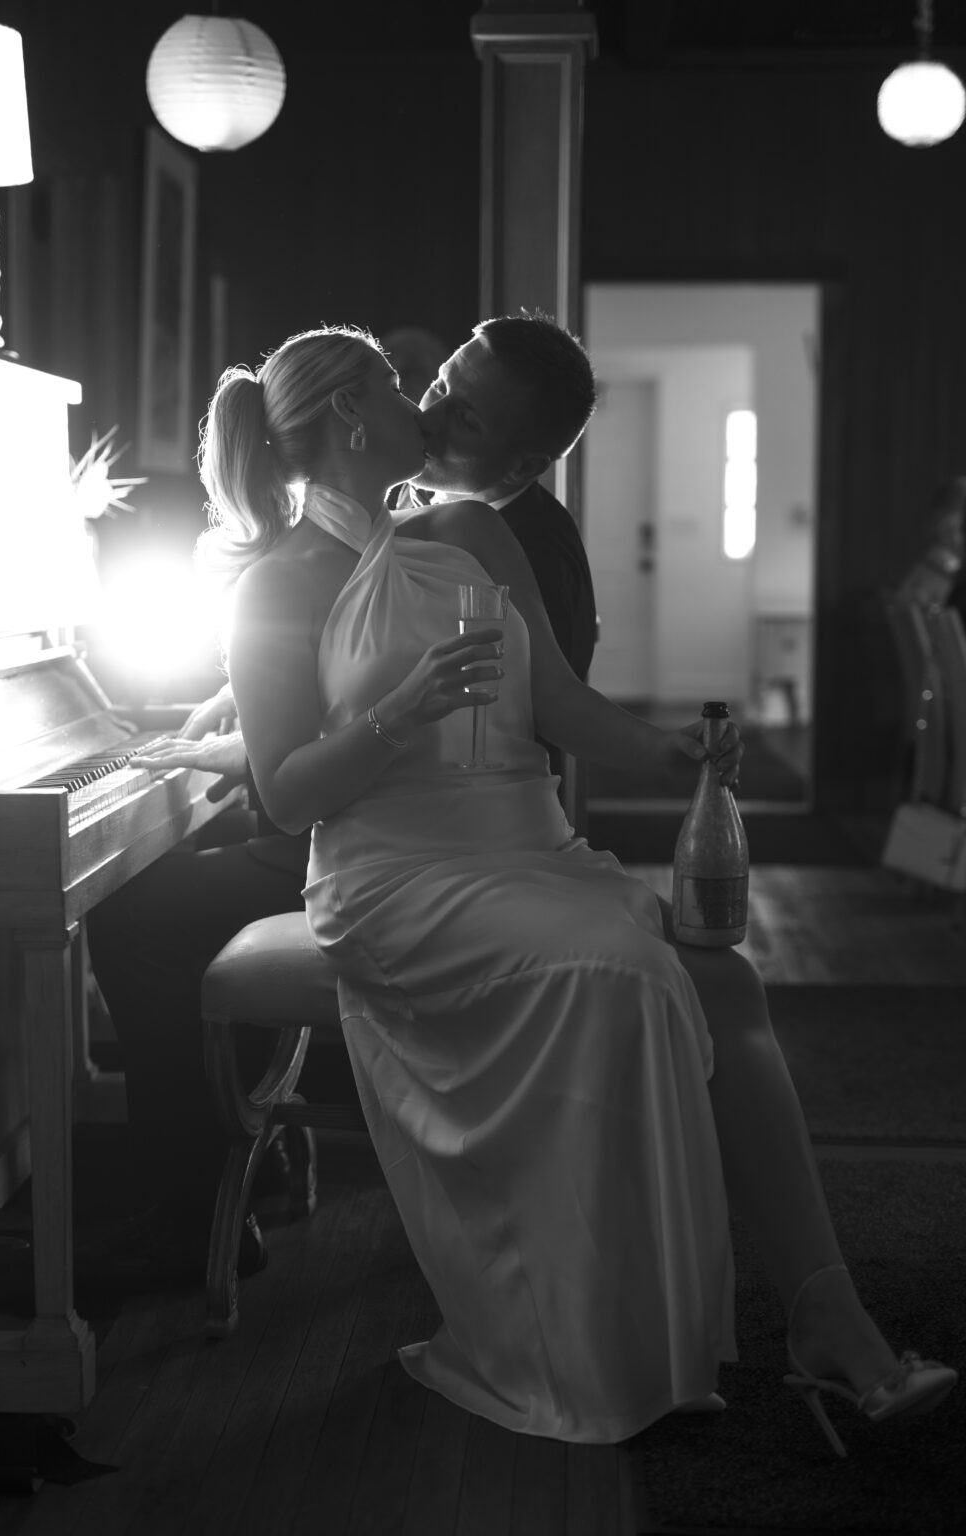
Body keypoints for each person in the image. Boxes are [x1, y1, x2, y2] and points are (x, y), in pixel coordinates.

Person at [196, 319, 957, 1447]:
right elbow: (288, 794)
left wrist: (671, 753)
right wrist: (401, 712)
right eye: (404, 383)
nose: (424, 400)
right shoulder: (275, 585)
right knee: (628, 969)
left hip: (526, 849)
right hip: (396, 877)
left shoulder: (469, 531)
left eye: (438, 387)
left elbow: (554, 699)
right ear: (352, 417)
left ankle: (825, 1313)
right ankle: (596, 1333)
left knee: (727, 981)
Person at [85, 312, 602, 1281]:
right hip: (376, 826)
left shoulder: (486, 532)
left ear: (521, 457)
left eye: (451, 402)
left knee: (135, 917)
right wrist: (250, 720)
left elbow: (507, 717)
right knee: (167, 894)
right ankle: (252, 1163)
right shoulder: (405, 526)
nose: (430, 409)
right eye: (424, 386)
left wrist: (265, 745)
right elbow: (357, 675)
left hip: (417, 852)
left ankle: (197, 1197)